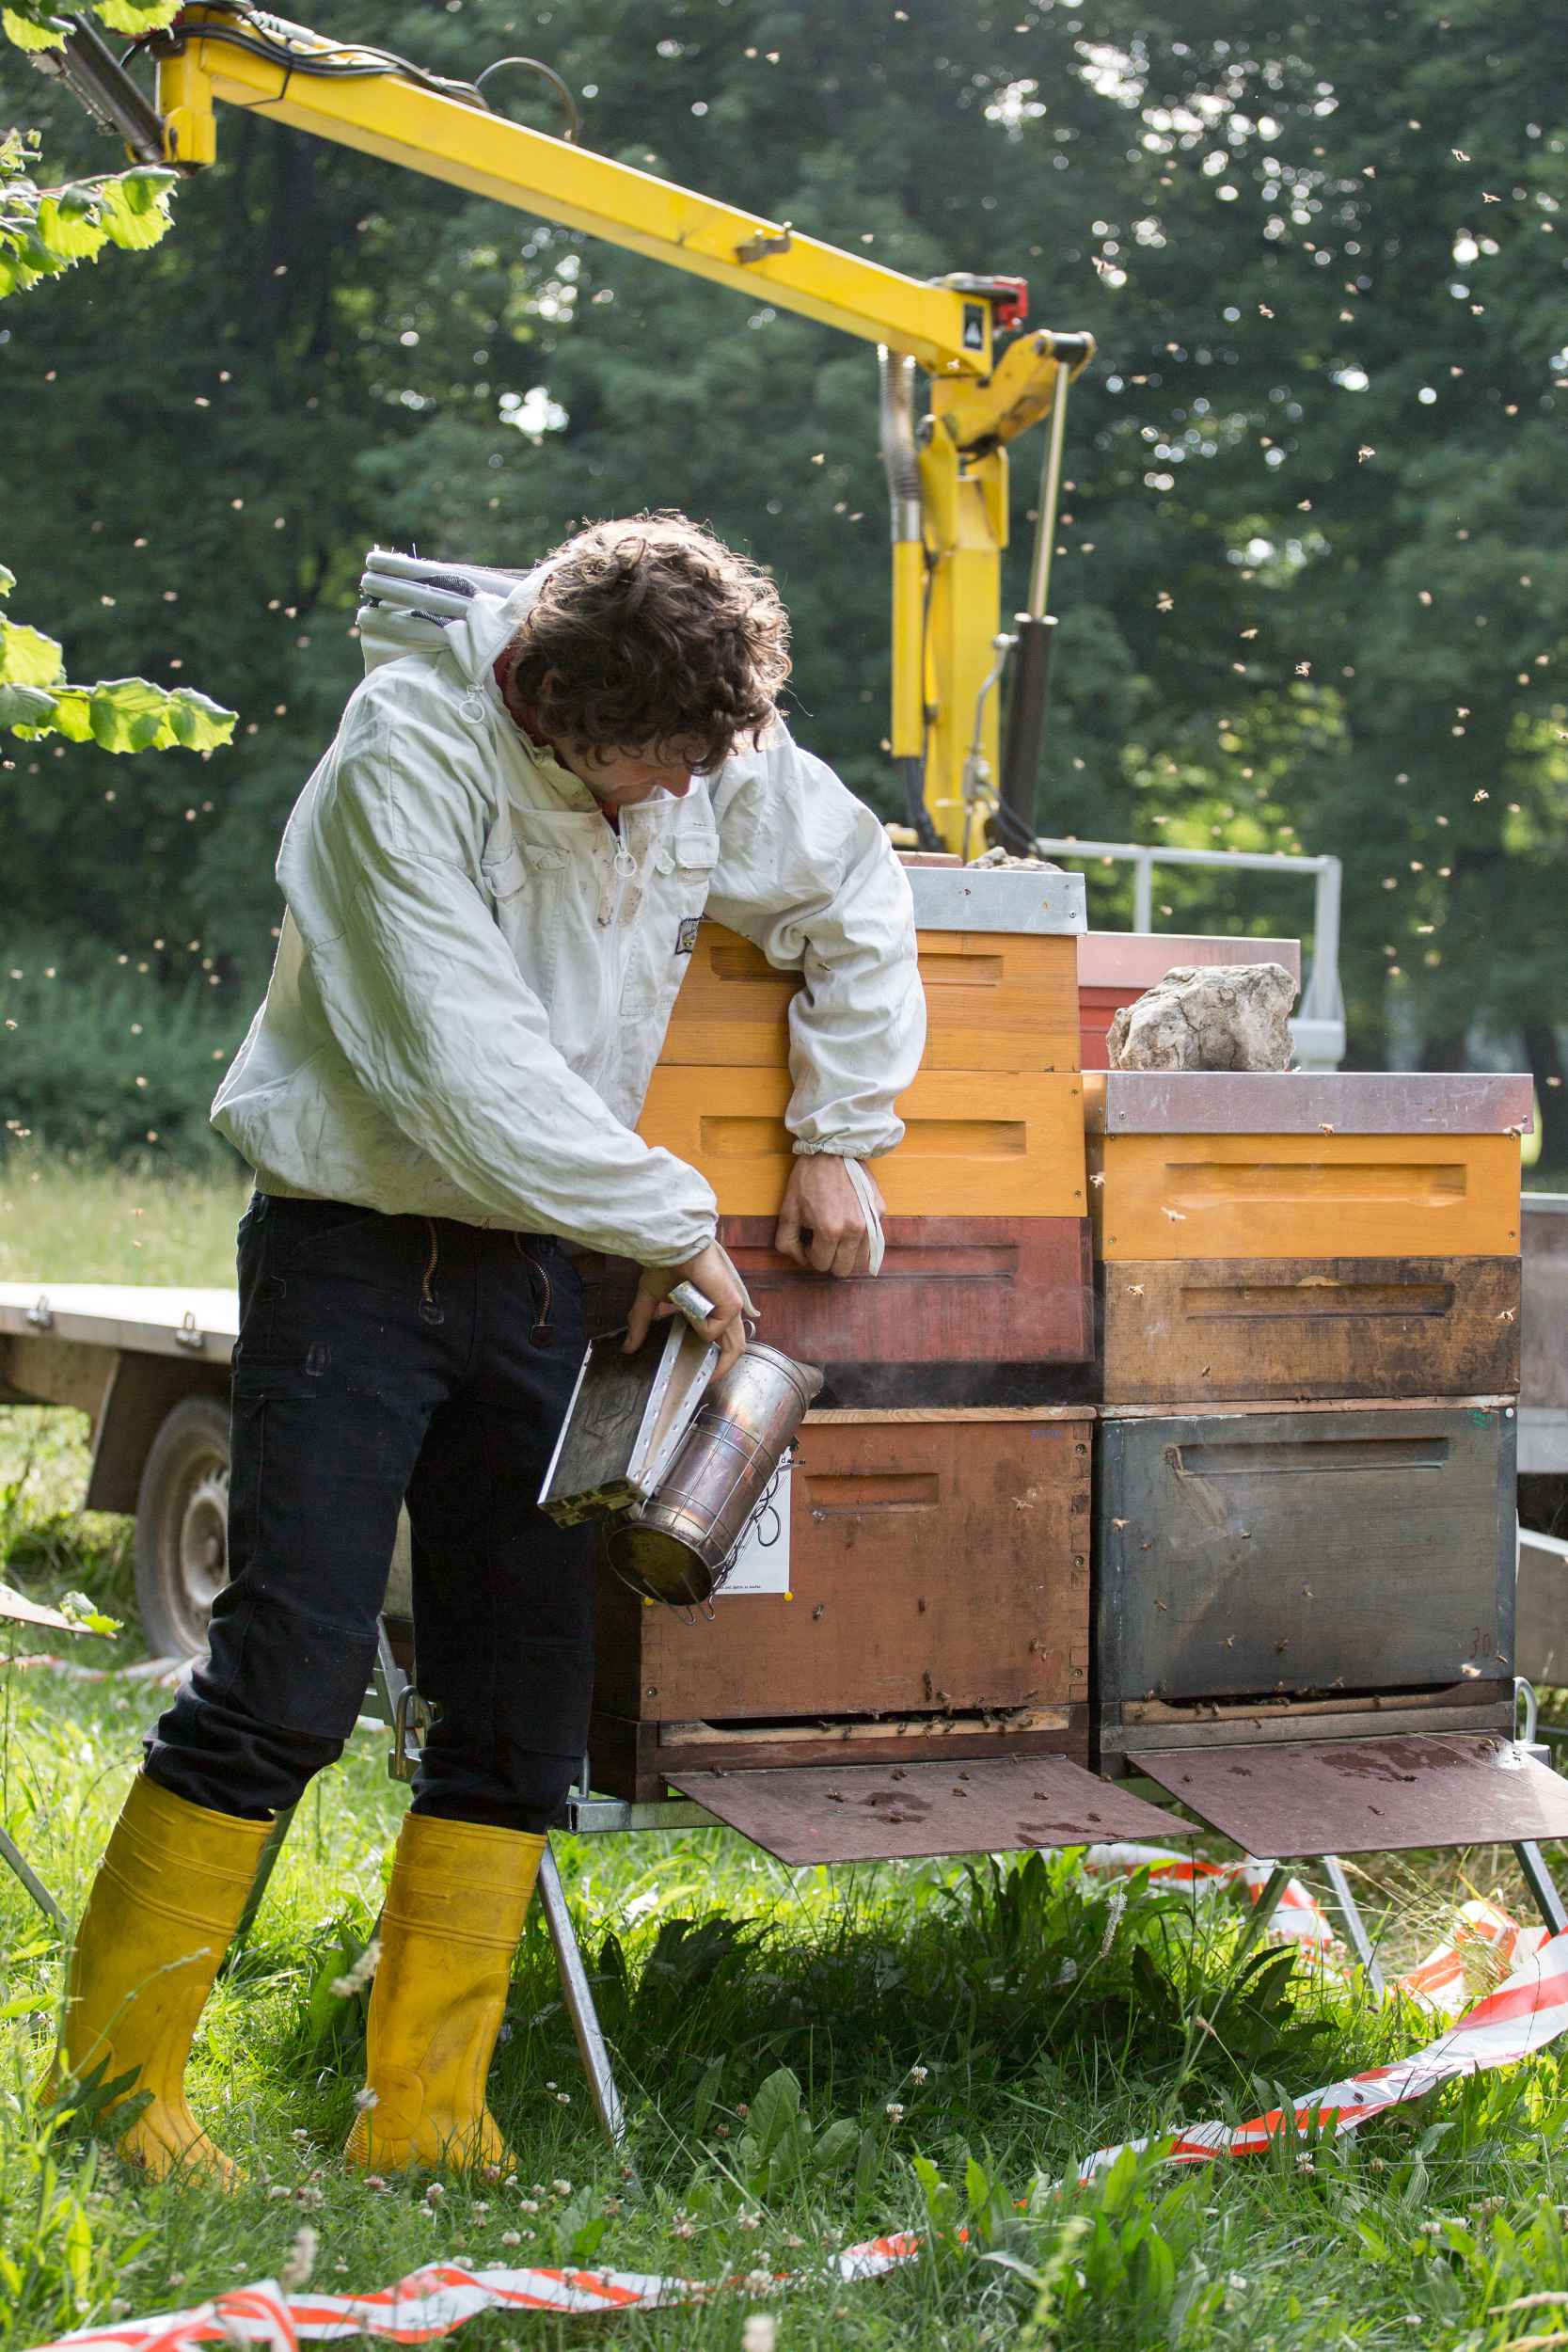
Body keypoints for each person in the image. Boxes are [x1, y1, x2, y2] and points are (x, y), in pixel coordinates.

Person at [51, 512, 927, 2184]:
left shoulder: (694, 746)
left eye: (698, 770)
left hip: (542, 1283)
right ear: (553, 703)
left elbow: (852, 884)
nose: (679, 804)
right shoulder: (406, 758)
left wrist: (843, 1131)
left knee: (524, 1703)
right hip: (351, 1263)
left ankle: (429, 2121)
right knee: (288, 1675)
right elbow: (469, 1072)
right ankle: (111, 2096)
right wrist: (675, 1220)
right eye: (648, 773)